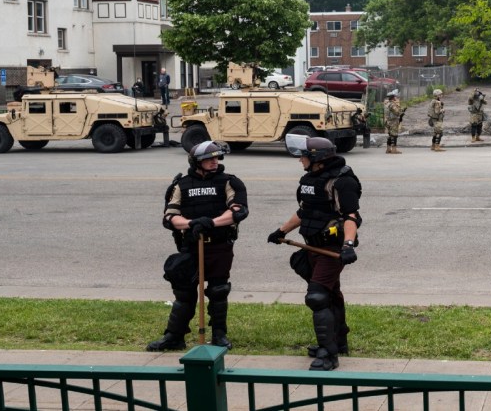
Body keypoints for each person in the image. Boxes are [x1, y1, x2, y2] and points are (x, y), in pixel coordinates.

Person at [268, 135, 361, 371]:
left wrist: (348, 245)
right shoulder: (310, 180)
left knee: (317, 297)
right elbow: (304, 211)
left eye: (304, 157)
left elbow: (350, 217)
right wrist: (281, 231)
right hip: (312, 246)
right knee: (331, 295)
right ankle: (338, 341)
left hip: (331, 249)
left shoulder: (342, 182)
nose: (301, 161)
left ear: (317, 159)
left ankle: (328, 355)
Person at [147, 140, 248, 352]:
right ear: (196, 162)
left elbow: (238, 212)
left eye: (216, 158)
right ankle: (174, 336)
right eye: (208, 159)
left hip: (219, 245)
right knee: (184, 293)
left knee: (219, 290)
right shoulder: (180, 185)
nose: (214, 161)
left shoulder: (229, 182)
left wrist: (211, 223)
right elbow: (170, 217)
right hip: (191, 245)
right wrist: (192, 224)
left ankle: (219, 335)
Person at [383, 89, 406, 154]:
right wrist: (402, 110)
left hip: (388, 121)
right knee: (394, 135)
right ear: (393, 97)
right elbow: (397, 112)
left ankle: (388, 149)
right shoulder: (392, 104)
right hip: (393, 121)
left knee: (390, 135)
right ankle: (394, 150)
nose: (396, 97)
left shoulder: (387, 104)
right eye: (395, 97)